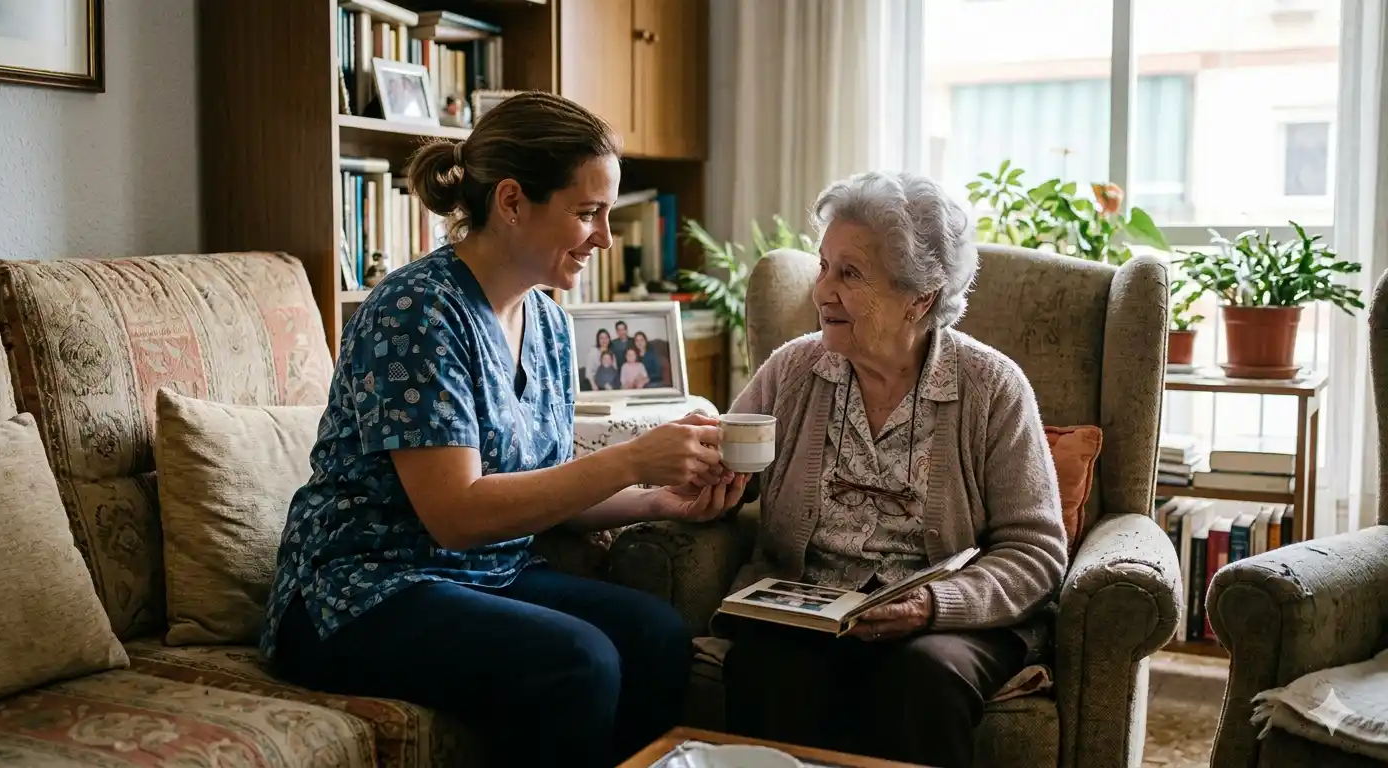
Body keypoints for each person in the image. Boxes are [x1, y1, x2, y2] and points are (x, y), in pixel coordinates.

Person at [260, 91, 751, 768]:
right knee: (579, 663)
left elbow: (535, 485)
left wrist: (656, 500)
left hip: (482, 574)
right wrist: (634, 460)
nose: (605, 238)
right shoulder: (416, 311)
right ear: (513, 202)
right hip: (361, 590)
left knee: (657, 635)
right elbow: (457, 515)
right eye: (588, 213)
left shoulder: (548, 323)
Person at [720, 171, 1069, 768]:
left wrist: (934, 605)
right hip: (808, 611)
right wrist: (706, 476)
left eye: (849, 274)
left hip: (946, 623)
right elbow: (725, 471)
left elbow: (1036, 553)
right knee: (767, 665)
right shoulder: (792, 371)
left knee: (925, 679)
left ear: (921, 297)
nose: (821, 291)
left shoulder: (992, 389)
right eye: (823, 265)